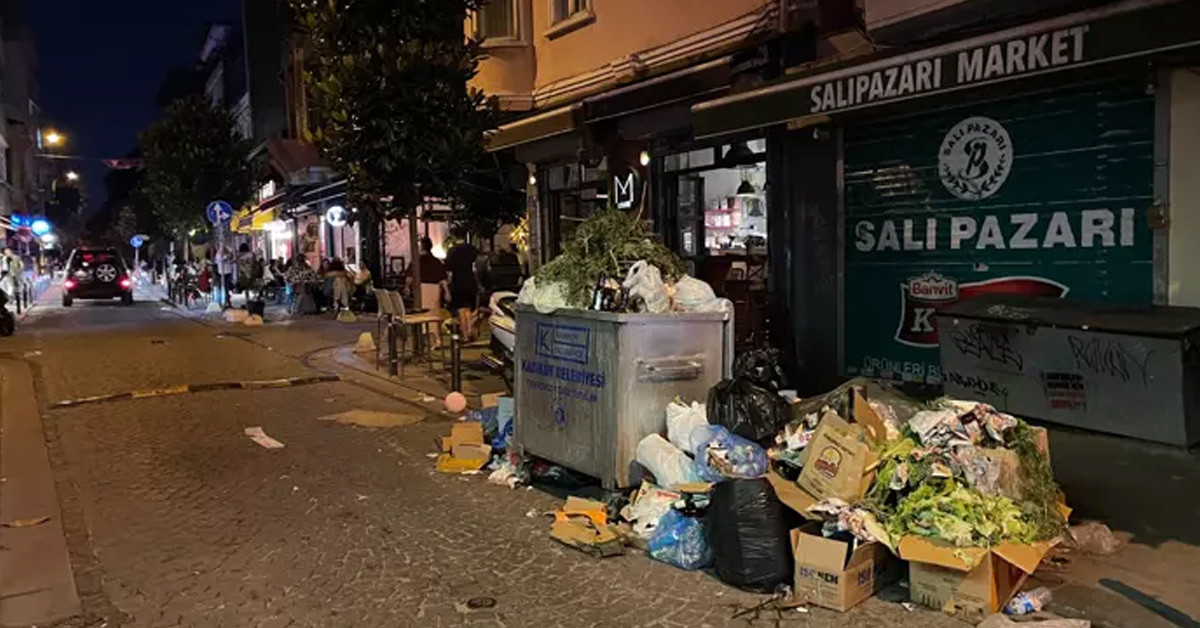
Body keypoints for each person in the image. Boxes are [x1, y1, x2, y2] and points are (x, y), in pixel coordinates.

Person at [444, 231, 480, 340]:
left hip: (458, 282)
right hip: (470, 281)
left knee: (461, 310)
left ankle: (464, 335)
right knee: (468, 308)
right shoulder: (471, 249)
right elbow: (476, 263)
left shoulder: (452, 251)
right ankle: (469, 330)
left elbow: (448, 268)